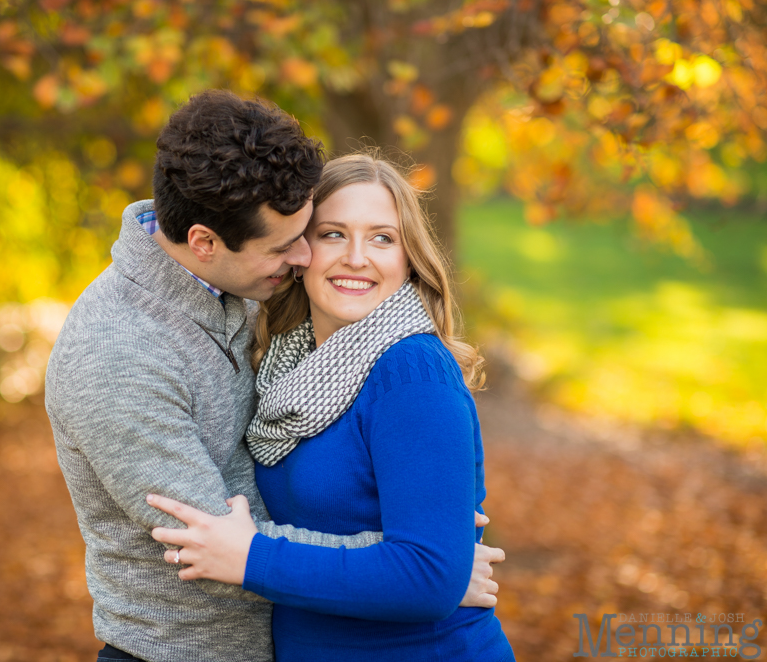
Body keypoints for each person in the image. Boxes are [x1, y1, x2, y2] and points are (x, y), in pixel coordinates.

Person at [45, 91, 503, 662]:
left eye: (382, 237)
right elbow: (213, 542)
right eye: (318, 237)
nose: (306, 259)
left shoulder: (278, 312)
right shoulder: (121, 352)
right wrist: (427, 569)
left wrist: (429, 566)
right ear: (204, 243)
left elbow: (255, 546)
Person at [147, 152, 516, 661]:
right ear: (299, 252)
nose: (357, 257)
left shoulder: (411, 373)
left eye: (382, 238)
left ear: (408, 258)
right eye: (333, 234)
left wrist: (253, 560)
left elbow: (428, 576)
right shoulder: (282, 365)